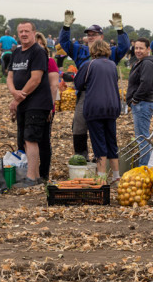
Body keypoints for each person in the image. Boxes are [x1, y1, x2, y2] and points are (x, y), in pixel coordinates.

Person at [59, 10, 130, 160]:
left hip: (104, 94)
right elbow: (64, 43)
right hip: (85, 94)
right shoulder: (80, 50)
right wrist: (66, 27)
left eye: (94, 34)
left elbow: (124, 47)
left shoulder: (109, 52)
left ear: (101, 37)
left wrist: (120, 30)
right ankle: (81, 156)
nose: (91, 37)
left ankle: (101, 159)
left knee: (102, 128)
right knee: (79, 125)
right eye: (89, 35)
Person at [8, 22, 53, 188]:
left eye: (27, 31)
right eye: (21, 31)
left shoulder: (38, 52)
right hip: (23, 102)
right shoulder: (17, 52)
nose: (24, 34)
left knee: (31, 138)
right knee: (24, 139)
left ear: (34, 33)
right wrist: (14, 92)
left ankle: (32, 178)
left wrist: (17, 99)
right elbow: (10, 77)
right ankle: (30, 174)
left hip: (37, 102)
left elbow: (35, 79)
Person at [73, 40, 122, 182]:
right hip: (112, 107)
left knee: (99, 141)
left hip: (95, 107)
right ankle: (116, 176)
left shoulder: (89, 65)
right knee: (111, 141)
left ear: (93, 51)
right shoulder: (112, 65)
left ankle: (101, 178)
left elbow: (78, 84)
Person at [126, 38, 153, 166]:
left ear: (148, 49)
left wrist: (135, 99)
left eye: (141, 48)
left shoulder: (147, 64)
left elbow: (146, 83)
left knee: (142, 139)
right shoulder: (141, 62)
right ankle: (147, 166)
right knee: (142, 137)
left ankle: (145, 168)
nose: (138, 51)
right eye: (136, 48)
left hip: (142, 104)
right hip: (141, 104)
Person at [34, 32, 59, 181]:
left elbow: (54, 85)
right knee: (30, 140)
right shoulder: (29, 62)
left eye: (40, 44)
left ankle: (43, 174)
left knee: (43, 140)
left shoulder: (49, 62)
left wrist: (50, 106)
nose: (38, 47)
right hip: (30, 107)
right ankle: (32, 172)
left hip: (46, 107)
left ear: (45, 46)